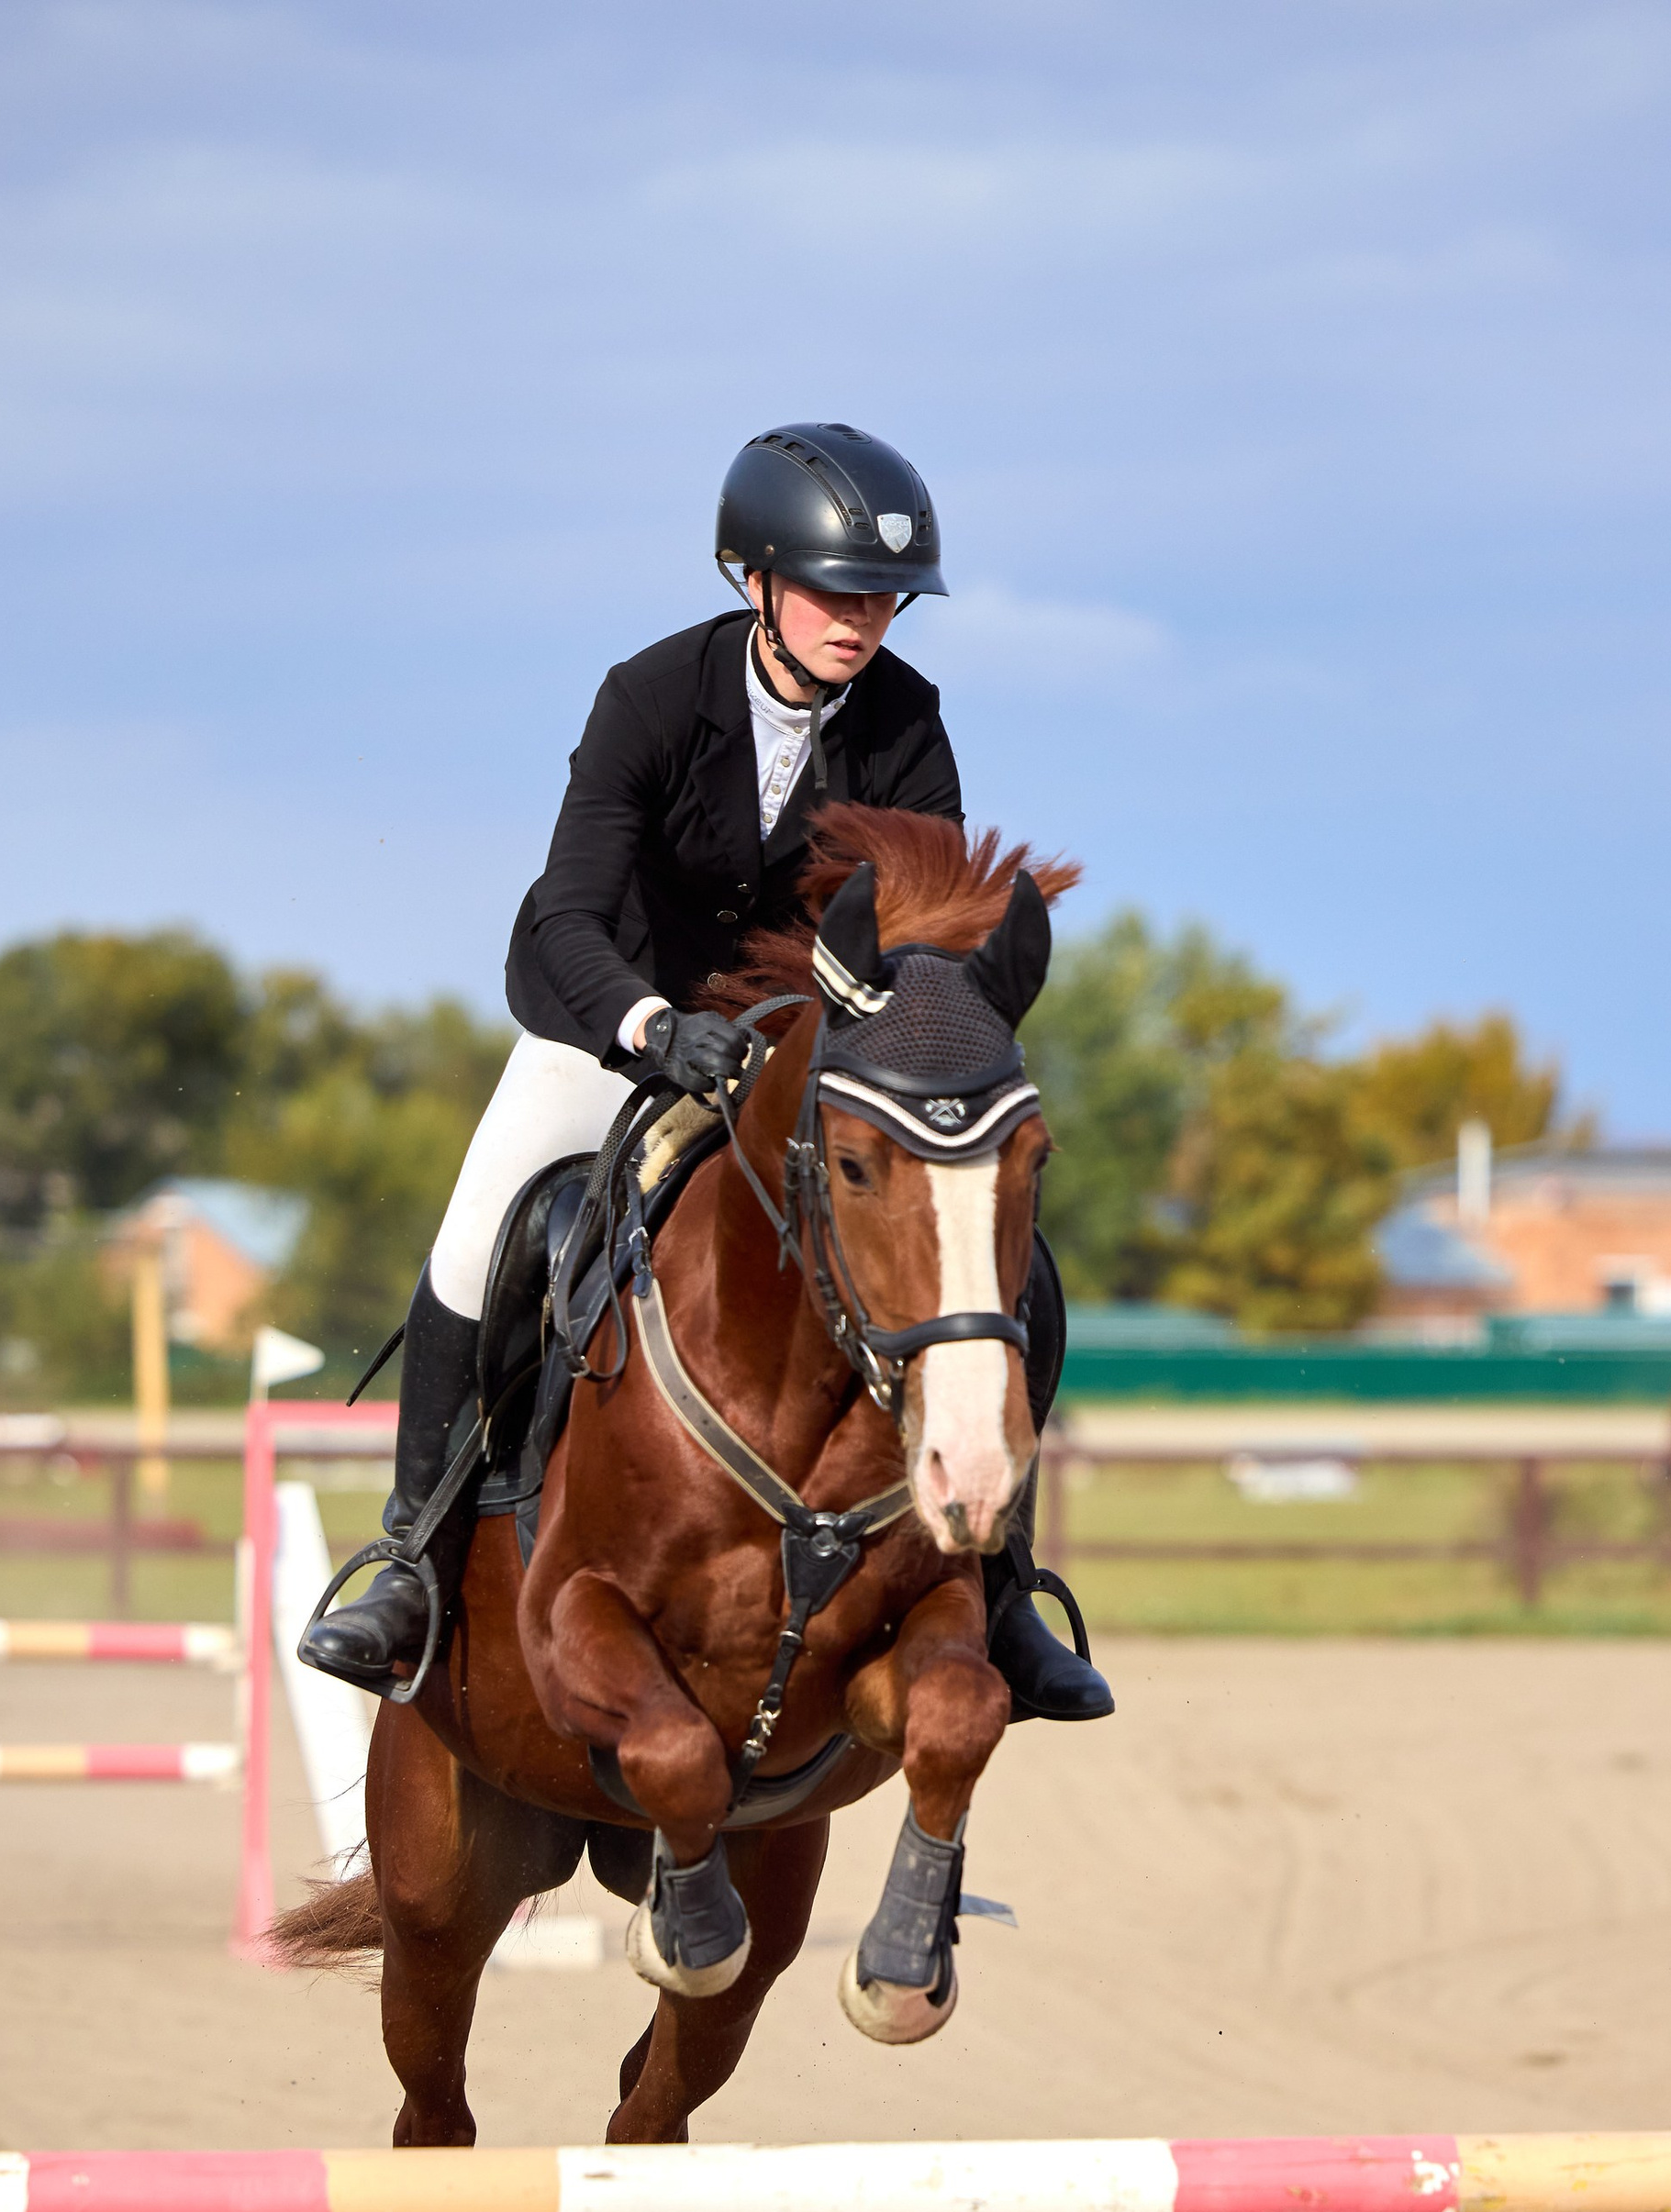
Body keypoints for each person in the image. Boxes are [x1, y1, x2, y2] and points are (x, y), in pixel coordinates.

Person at [301, 421, 1111, 1722]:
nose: (866, 620)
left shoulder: (908, 720)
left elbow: (920, 924)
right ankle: (412, 1555)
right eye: (838, 591)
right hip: (610, 1027)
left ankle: (1001, 1584)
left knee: (1006, 1261)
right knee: (483, 1236)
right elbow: (567, 909)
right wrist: (644, 1024)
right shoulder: (651, 696)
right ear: (754, 579)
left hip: (802, 1057)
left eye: (887, 598)